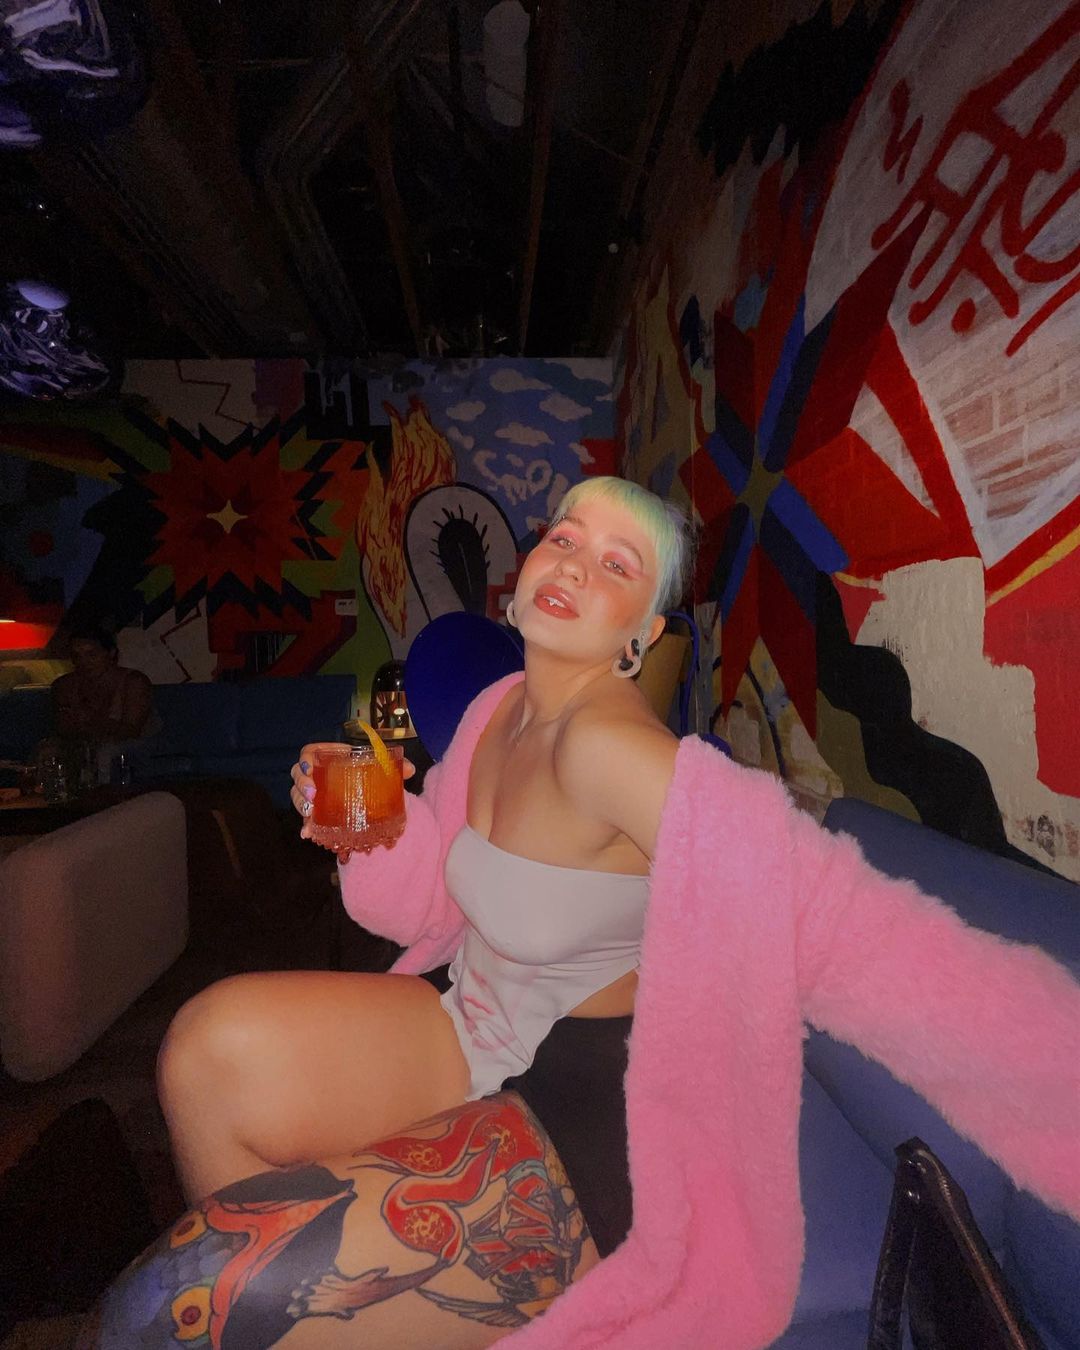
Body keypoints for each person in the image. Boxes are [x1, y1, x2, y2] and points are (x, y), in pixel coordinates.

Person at [80, 478, 1080, 1350]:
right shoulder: (498, 708)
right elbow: (431, 899)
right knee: (204, 1052)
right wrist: (372, 825)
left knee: (180, 1303)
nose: (573, 563)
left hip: (590, 1099)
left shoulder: (614, 749)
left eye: (618, 563)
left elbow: (837, 921)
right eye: (565, 536)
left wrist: (1054, 1076)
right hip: (468, 1021)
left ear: (641, 632)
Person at [50, 623, 158, 780]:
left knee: (105, 753)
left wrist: (90, 721)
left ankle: (103, 792)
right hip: (81, 742)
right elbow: (63, 727)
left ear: (111, 653)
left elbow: (131, 730)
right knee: (49, 751)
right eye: (77, 656)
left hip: (135, 744)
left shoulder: (133, 682)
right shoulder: (64, 685)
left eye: (92, 655)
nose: (83, 662)